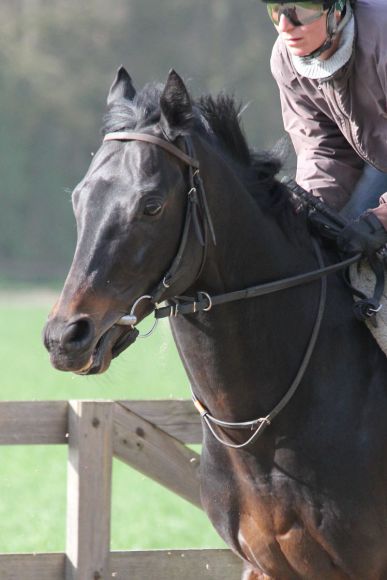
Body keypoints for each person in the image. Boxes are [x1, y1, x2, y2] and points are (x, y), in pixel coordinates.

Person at [262, 0, 387, 255]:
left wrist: (383, 218)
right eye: (277, 11)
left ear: (338, 8)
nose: (285, 26)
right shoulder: (285, 60)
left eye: (300, 11)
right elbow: (322, 149)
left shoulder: (382, 34)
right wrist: (306, 213)